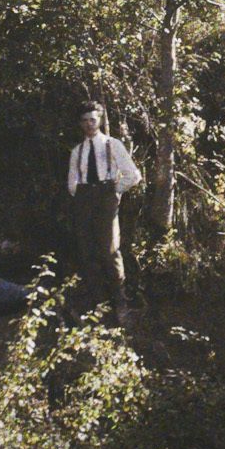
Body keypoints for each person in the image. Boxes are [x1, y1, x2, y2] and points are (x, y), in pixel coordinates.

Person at [66, 103, 140, 320]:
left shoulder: (112, 145)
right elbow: (72, 184)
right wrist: (83, 196)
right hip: (84, 200)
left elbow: (133, 175)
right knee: (87, 251)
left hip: (106, 197)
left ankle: (120, 301)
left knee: (110, 251)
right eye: (85, 120)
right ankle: (97, 303)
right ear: (80, 124)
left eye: (92, 119)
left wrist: (114, 191)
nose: (89, 124)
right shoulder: (77, 151)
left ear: (99, 120)